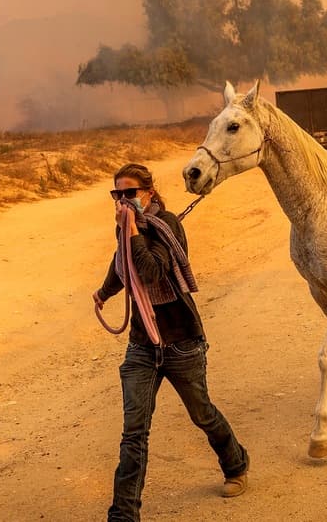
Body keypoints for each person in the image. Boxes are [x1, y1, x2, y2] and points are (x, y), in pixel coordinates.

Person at [93, 163, 249, 522]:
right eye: (117, 195)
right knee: (134, 431)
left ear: (149, 192)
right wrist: (104, 292)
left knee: (202, 414)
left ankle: (236, 463)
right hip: (142, 344)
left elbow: (151, 271)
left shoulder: (168, 225)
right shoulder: (125, 232)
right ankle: (123, 514)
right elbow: (123, 265)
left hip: (181, 342)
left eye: (129, 193)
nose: (122, 201)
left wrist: (131, 230)